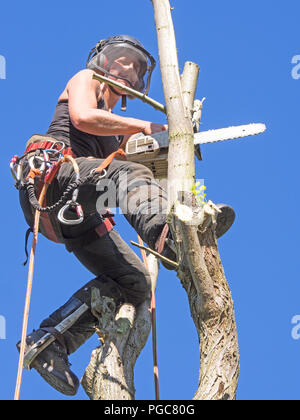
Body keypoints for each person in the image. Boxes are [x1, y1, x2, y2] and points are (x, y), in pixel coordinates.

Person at [17, 35, 235, 396]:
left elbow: (145, 179)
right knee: (125, 175)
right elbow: (84, 117)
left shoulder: (116, 134)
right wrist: (144, 127)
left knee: (135, 283)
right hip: (53, 182)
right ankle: (168, 233)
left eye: (136, 68)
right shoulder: (85, 82)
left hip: (77, 212)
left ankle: (51, 342)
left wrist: (176, 153)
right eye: (122, 61)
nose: (128, 70)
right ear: (103, 61)